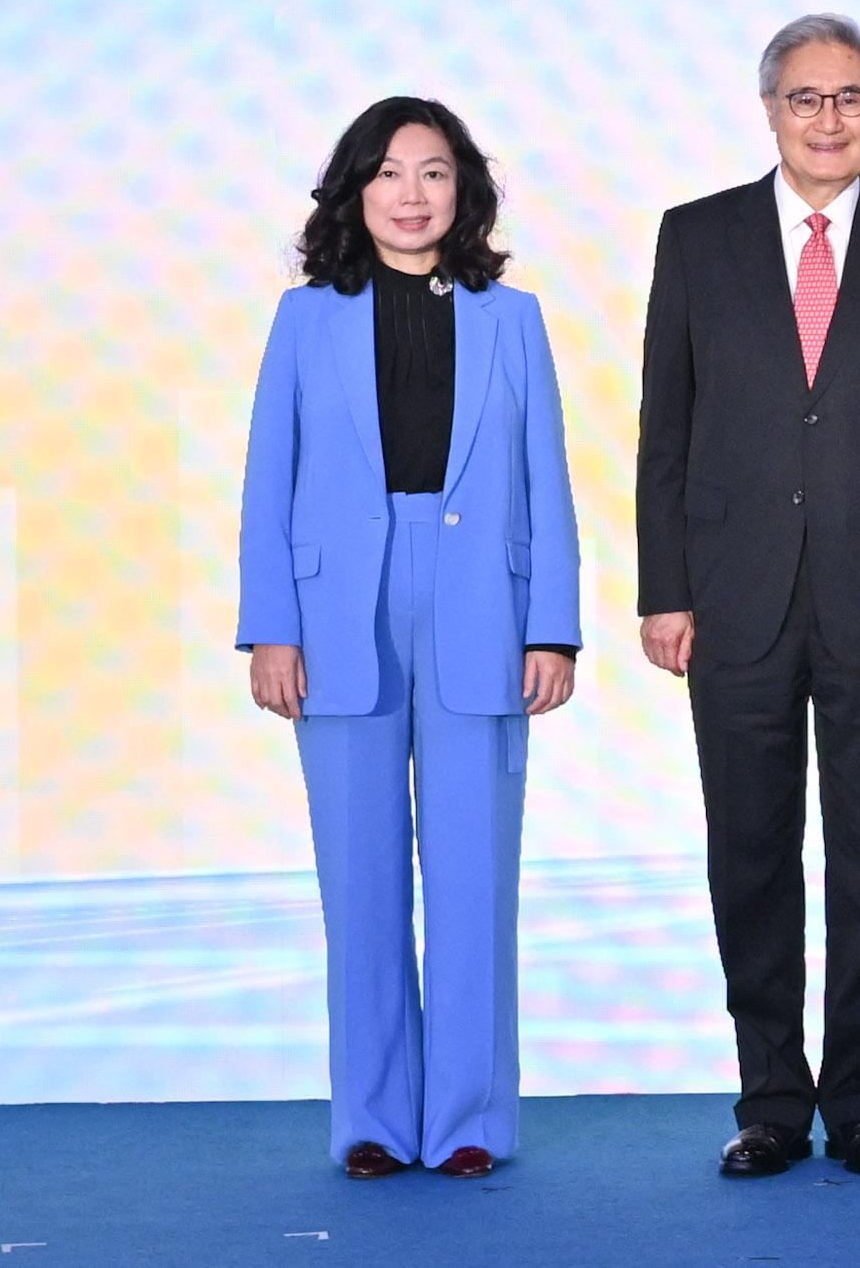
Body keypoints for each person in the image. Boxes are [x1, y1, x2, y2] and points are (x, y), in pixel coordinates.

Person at [636, 14, 860, 1180]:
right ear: (769, 107)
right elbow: (664, 429)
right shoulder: (698, 237)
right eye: (804, 97)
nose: (827, 118)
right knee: (752, 852)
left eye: (849, 97)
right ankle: (771, 1100)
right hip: (732, 597)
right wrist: (664, 586)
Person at [237, 96, 582, 1181]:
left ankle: (468, 1116)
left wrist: (553, 626)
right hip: (341, 605)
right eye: (388, 172)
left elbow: (546, 480)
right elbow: (267, 481)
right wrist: (269, 628)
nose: (411, 193)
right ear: (355, 190)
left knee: (477, 870)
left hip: (480, 596)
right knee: (360, 870)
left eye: (434, 172)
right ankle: (375, 1119)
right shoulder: (305, 319)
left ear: (463, 190)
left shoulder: (511, 317)